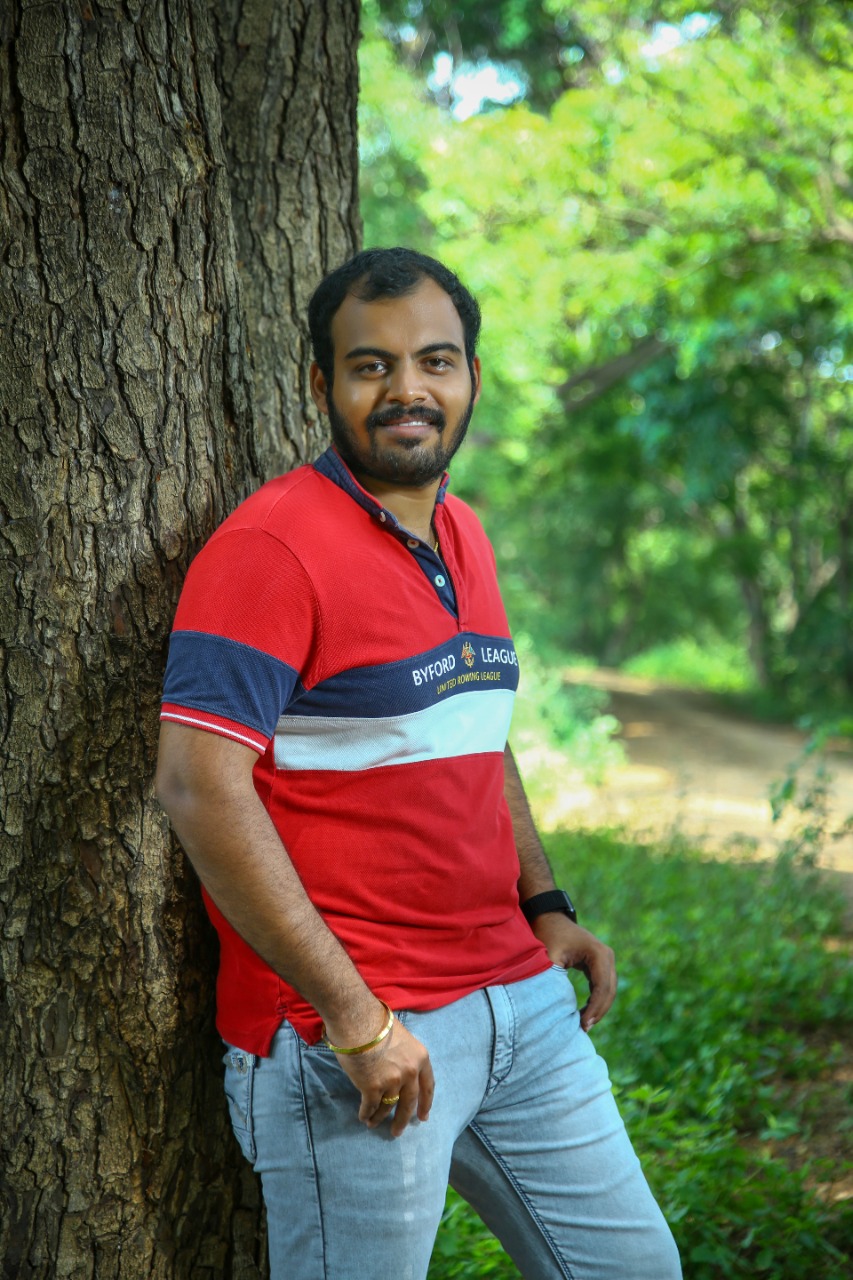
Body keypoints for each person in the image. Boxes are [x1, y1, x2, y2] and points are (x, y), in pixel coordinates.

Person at [156, 248, 682, 1280]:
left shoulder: (462, 532)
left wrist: (545, 901)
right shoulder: (270, 549)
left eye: (435, 360)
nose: (408, 389)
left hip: (519, 1003)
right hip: (356, 1036)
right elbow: (196, 785)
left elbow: (473, 727)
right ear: (321, 383)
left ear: (471, 376)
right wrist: (357, 1019)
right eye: (371, 366)